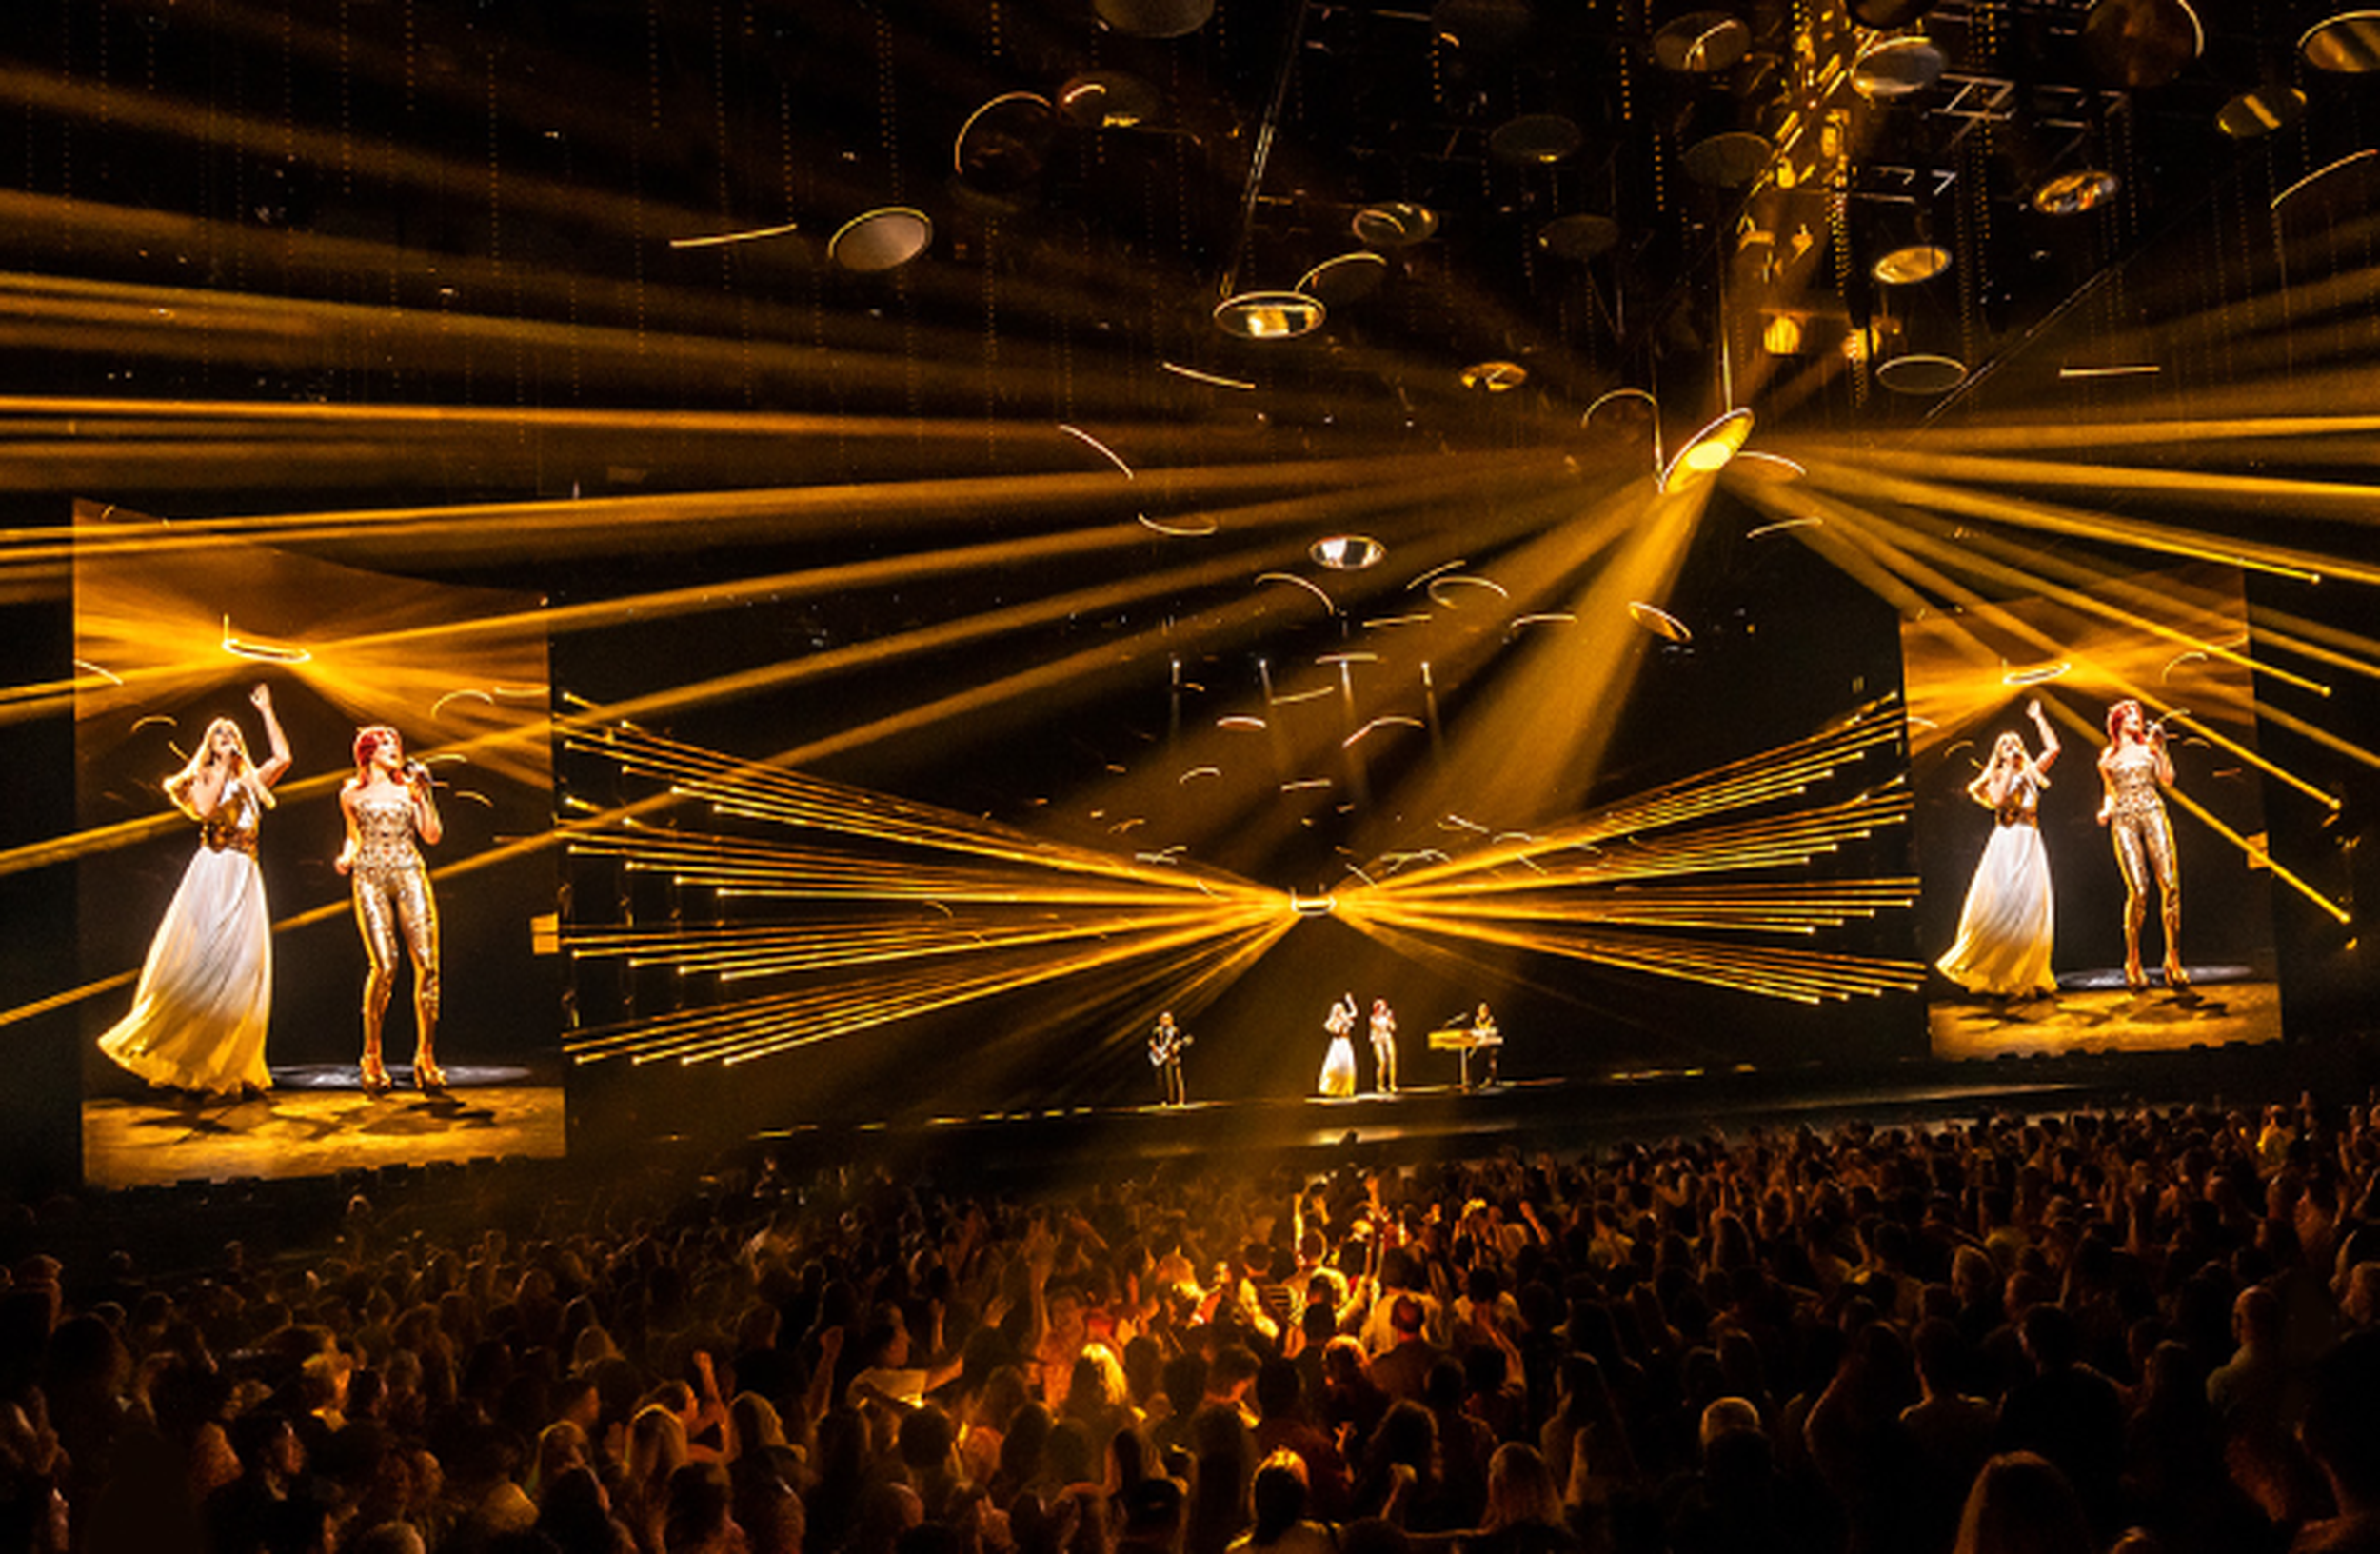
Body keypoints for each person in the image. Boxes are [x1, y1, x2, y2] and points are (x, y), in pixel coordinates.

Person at [96, 684, 292, 1098]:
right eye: (219, 734)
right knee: (207, 960)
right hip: (215, 871)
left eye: (232, 734)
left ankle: (229, 1064)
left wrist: (266, 712)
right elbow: (204, 809)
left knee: (242, 968)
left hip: (245, 872)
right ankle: (189, 1058)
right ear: (209, 744)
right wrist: (220, 763)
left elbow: (284, 758)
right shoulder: (206, 776)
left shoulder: (252, 781)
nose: (228, 739)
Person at [338, 725, 446, 1095]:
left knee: (428, 964)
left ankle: (426, 1056)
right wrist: (346, 856)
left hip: (409, 873)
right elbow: (352, 834)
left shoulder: (409, 790)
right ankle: (371, 1056)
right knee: (384, 965)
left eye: (396, 743)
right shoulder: (352, 793)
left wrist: (424, 796)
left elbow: (431, 835)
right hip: (369, 875)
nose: (393, 748)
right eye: (384, 743)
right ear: (367, 751)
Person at [1936, 698, 2061, 999]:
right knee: (2004, 905)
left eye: (2014, 742)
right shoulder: (1996, 776)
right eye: (2004, 744)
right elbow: (1998, 798)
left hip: (2030, 840)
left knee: (2030, 907)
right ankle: (2001, 975)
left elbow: (2054, 749)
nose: (2010, 745)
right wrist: (2005, 766)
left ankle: (2026, 976)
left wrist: (2038, 719)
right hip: (2006, 842)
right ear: (1997, 752)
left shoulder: (2031, 773)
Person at [2096, 698, 2186, 991]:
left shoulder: (2150, 747)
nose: (2137, 717)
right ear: (2118, 721)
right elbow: (2109, 792)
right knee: (2139, 889)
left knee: (2170, 885)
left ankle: (2172, 959)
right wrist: (2105, 809)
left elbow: (2168, 779)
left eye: (2138, 713)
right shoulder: (2107, 757)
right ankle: (2132, 960)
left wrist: (2160, 748)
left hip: (2152, 812)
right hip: (2124, 819)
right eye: (2130, 714)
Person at [1319, 994, 1359, 1098]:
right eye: (1336, 1010)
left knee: (1346, 1066)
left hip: (1345, 1042)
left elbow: (1355, 1012)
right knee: (1336, 1066)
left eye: (1340, 1009)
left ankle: (1345, 1090)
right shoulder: (1333, 1021)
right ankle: (1332, 1089)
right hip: (1337, 1044)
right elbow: (1333, 1030)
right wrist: (1338, 1025)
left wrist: (1350, 1001)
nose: (1338, 1011)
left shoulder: (1346, 1018)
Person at [1150, 1010, 1190, 1106]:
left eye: (1167, 1019)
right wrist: (1157, 1052)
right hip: (1161, 1057)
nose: (1165, 1021)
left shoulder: (1175, 1030)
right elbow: (1151, 1042)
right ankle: (1164, 1099)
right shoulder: (1157, 1030)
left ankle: (1179, 1100)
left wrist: (1177, 1046)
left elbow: (1178, 1041)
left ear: (1171, 1020)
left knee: (1177, 1078)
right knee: (1162, 1080)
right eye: (1163, 1019)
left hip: (1172, 1057)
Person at [1368, 998, 1398, 1094]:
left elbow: (1393, 1028)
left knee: (1392, 1060)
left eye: (1385, 1006)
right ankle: (1380, 1085)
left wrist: (1390, 1019)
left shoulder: (1387, 1017)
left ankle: (1392, 1084)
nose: (1384, 1008)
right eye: (1382, 1006)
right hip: (1378, 1039)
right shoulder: (1373, 1018)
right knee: (1382, 1061)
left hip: (1387, 1037)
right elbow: (1375, 1028)